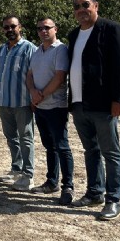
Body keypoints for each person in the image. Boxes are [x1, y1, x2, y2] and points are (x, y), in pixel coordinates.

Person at [67, 0, 120, 220]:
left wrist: (119, 99)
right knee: (90, 151)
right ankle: (95, 193)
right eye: (77, 6)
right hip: (79, 104)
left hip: (104, 105)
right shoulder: (74, 35)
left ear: (95, 6)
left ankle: (113, 200)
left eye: (85, 5)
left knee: (111, 152)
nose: (81, 9)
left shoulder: (112, 29)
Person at [25, 18, 74, 204]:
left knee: (62, 146)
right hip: (40, 107)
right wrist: (32, 92)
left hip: (56, 107)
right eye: (39, 28)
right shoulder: (37, 51)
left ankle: (67, 186)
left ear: (56, 29)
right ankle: (51, 182)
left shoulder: (61, 50)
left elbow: (60, 77)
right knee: (49, 146)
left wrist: (41, 95)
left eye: (47, 28)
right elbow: (29, 75)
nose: (43, 31)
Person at [0, 15, 37, 191]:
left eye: (12, 26)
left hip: (22, 102)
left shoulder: (29, 48)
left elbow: (35, 75)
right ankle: (16, 168)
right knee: (11, 137)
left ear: (20, 27)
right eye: (6, 27)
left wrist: (34, 99)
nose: (9, 30)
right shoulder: (2, 49)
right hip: (5, 101)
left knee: (26, 137)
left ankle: (28, 175)